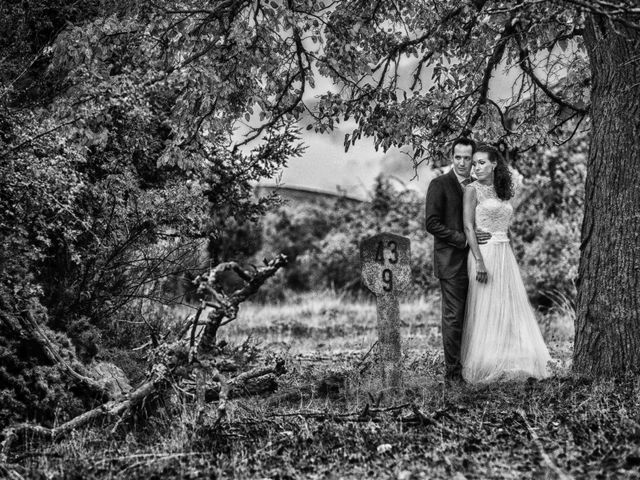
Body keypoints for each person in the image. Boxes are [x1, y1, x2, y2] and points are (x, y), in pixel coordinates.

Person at [461, 144, 551, 384]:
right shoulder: (472, 190)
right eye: (475, 163)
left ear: (494, 164)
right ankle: (485, 362)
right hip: (485, 253)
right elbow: (468, 226)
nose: (476, 166)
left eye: (481, 162)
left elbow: (506, 221)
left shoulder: (502, 190)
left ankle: (507, 359)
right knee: (486, 306)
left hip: (504, 252)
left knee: (506, 305)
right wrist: (479, 260)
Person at [425, 138, 490, 384]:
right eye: (458, 158)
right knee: (454, 317)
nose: (462, 163)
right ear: (452, 158)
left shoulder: (479, 186)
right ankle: (453, 375)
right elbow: (431, 223)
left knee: (473, 316)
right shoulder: (439, 184)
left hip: (478, 261)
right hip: (451, 261)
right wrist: (463, 239)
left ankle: (473, 367)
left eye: (467, 158)